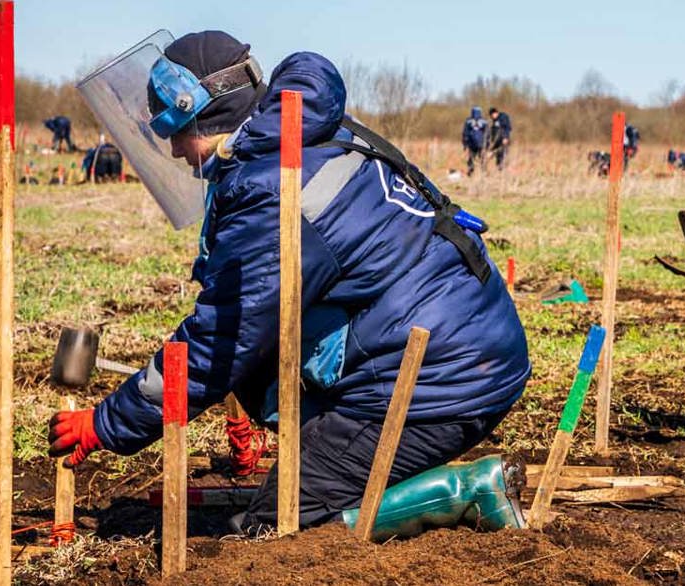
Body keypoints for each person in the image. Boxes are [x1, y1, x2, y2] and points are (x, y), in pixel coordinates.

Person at [63, 30, 529, 539]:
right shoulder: (300, 132)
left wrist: (107, 423)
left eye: (175, 132)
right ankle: (362, 472)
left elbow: (219, 341)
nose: (175, 151)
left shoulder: (272, 188)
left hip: (439, 383)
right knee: (261, 386)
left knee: (274, 531)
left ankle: (463, 494)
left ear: (203, 114)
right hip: (462, 348)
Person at [461, 106, 488, 176]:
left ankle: (477, 173)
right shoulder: (483, 121)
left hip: (477, 144)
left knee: (477, 159)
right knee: (475, 159)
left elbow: (465, 133)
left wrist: (465, 144)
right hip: (476, 144)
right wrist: (465, 144)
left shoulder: (469, 121)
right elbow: (465, 133)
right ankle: (477, 173)